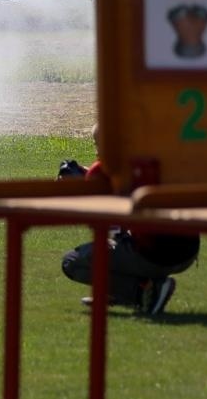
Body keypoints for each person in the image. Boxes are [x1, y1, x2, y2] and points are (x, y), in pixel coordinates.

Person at [58, 124, 195, 316]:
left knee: (73, 261)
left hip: (157, 255)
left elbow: (102, 226)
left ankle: (140, 292)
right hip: (188, 252)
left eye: (98, 145)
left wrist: (81, 190)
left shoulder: (101, 171)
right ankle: (123, 293)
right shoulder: (159, 158)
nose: (97, 151)